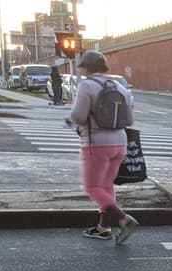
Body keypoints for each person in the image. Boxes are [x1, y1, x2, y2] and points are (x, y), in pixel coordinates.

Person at [66, 50, 138, 243]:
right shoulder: (119, 87)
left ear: (86, 68)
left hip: (96, 143)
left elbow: (79, 116)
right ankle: (103, 228)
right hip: (120, 142)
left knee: (92, 186)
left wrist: (70, 119)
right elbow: (130, 119)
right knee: (105, 186)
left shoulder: (87, 85)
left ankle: (124, 220)